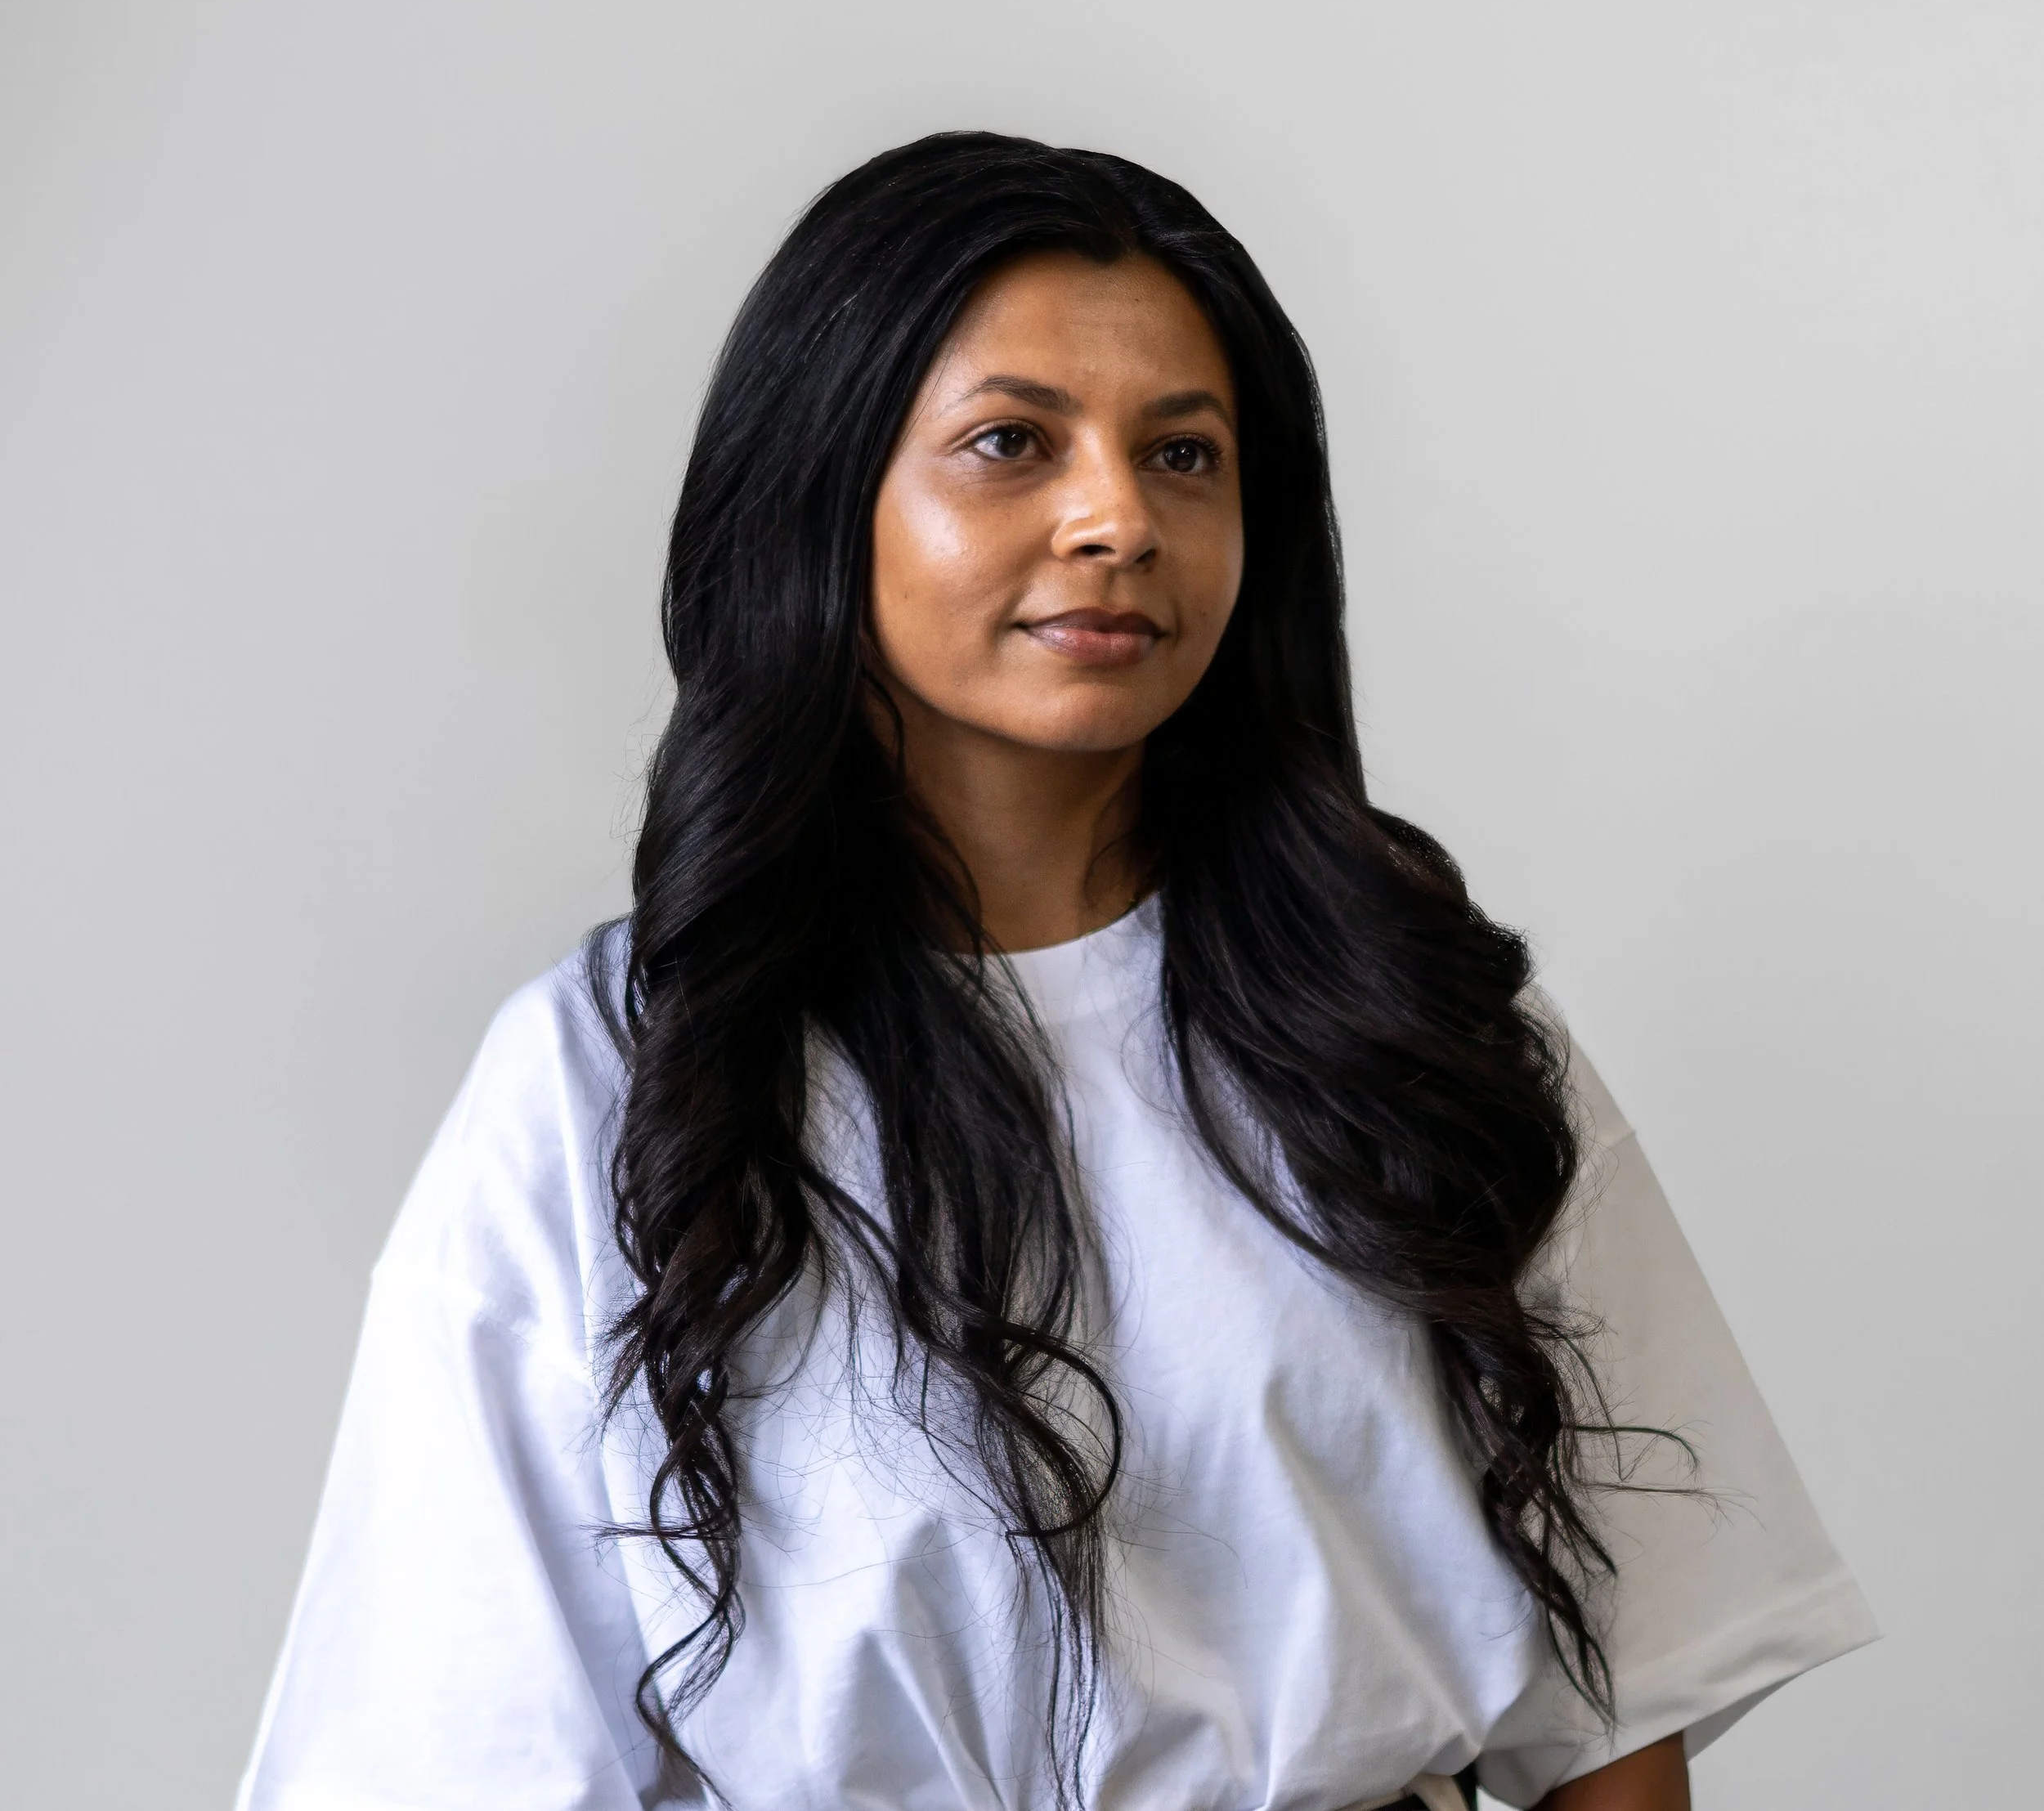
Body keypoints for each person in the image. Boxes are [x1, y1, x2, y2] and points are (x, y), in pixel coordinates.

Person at [237, 133, 1876, 1811]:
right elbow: (449, 1747)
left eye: (1183, 454)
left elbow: (1620, 1696)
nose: (1113, 517)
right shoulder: (608, 1082)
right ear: (820, 494)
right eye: (1009, 444)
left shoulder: (1415, 1023)